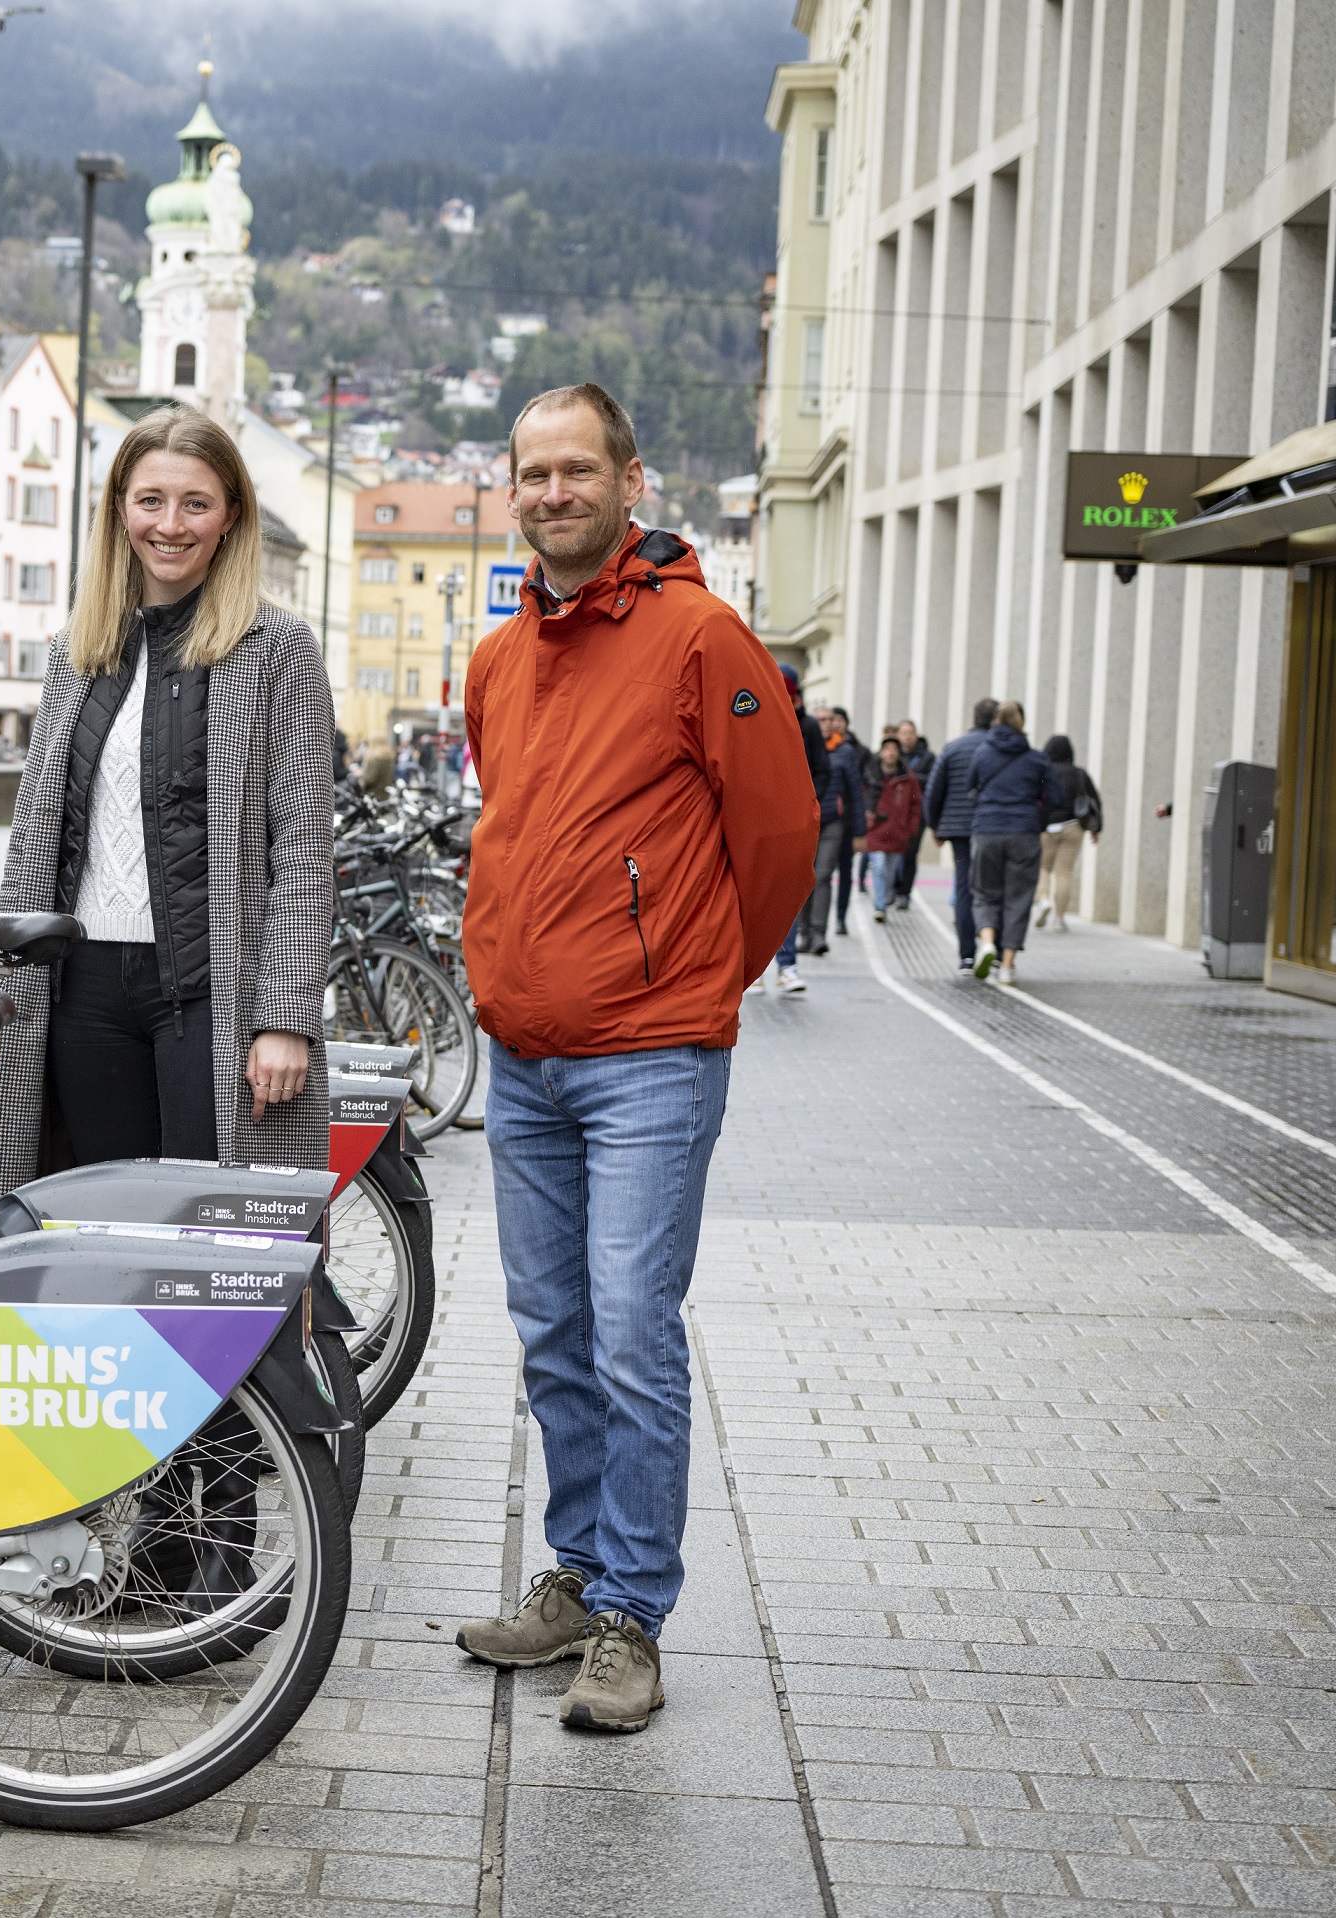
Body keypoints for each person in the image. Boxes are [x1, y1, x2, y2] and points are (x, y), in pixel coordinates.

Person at [449, 382, 817, 1735]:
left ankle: (632, 1618)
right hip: (528, 1055)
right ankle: (581, 1570)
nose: (553, 492)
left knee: (631, 1339)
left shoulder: (698, 634)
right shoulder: (500, 660)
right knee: (554, 1333)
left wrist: (696, 970)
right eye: (532, 473)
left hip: (649, 1056)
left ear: (629, 480)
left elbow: (778, 837)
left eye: (576, 469)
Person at [0, 402, 335, 1187]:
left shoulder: (275, 650)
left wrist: (285, 1018)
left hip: (213, 989)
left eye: (195, 503)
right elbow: (36, 832)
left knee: (212, 1236)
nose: (170, 524)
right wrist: (12, 994)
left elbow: (305, 849)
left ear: (230, 517)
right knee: (99, 1231)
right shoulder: (76, 650)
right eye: (150, 500)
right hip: (82, 991)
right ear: (119, 510)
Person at [965, 699, 1052, 982]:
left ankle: (988, 942)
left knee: (984, 891)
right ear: (1021, 723)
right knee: (1019, 897)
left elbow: (971, 786)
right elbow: (1054, 797)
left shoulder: (982, 754)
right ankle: (1007, 966)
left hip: (987, 830)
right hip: (1024, 833)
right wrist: (1037, 820)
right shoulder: (1036, 759)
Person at [764, 667, 833, 991]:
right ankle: (754, 973)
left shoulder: (807, 726)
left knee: (787, 896)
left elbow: (822, 769)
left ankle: (786, 966)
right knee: (755, 895)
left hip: (795, 822)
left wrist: (806, 804)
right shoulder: (757, 717)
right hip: (760, 819)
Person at [923, 696, 1001, 972]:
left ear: (973, 718)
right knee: (992, 887)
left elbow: (934, 789)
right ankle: (995, 946)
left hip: (958, 829)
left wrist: (934, 825)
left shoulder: (953, 748)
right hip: (993, 827)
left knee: (964, 887)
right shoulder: (1000, 750)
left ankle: (967, 954)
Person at [1035, 734, 1101, 931]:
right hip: (1073, 826)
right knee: (1065, 872)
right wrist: (1096, 829)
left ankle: (1044, 900)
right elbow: (1095, 800)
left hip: (1047, 827)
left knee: (1043, 868)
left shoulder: (1043, 772)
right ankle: (1059, 917)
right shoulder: (1079, 773)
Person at [813, 705, 863, 943]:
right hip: (806, 822)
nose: (824, 724)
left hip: (833, 821)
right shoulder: (804, 745)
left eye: (828, 719)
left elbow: (855, 792)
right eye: (820, 719)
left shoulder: (845, 752)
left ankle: (818, 932)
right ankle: (804, 934)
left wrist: (860, 831)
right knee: (804, 878)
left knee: (822, 875)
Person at [863, 735, 921, 920]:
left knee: (890, 872)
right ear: (881, 752)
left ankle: (885, 897)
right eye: (887, 748)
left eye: (894, 749)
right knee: (878, 866)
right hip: (876, 830)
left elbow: (916, 805)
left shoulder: (908, 779)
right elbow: (861, 798)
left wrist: (911, 828)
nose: (891, 752)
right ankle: (879, 906)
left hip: (897, 832)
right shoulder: (871, 775)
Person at [889, 720, 933, 907]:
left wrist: (910, 780)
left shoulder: (928, 757)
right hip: (893, 813)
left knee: (910, 854)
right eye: (904, 732)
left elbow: (933, 781)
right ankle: (890, 888)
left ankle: (904, 892)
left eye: (911, 732)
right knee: (891, 853)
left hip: (916, 812)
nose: (907, 736)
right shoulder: (891, 756)